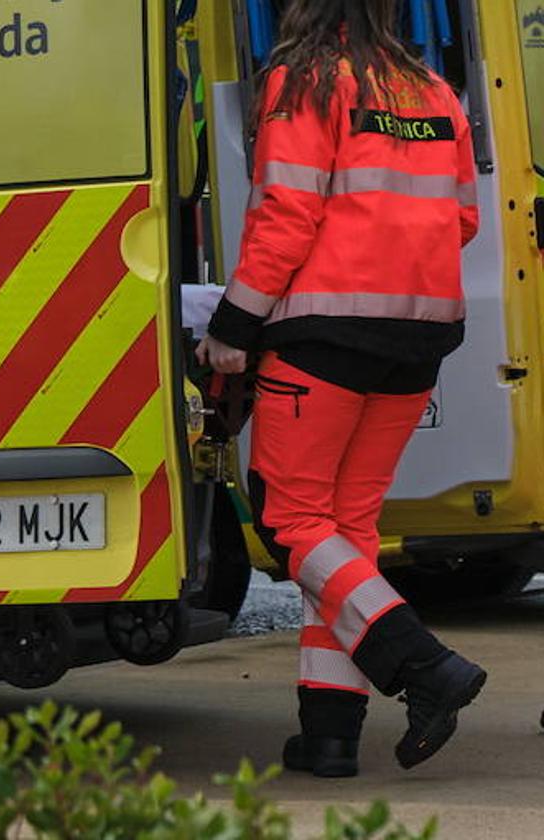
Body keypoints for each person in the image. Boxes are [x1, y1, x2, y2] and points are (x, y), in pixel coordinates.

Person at [196, 0, 486, 777]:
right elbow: (462, 220)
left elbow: (285, 216)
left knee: (289, 520)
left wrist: (233, 325)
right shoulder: (432, 90)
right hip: (418, 334)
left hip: (323, 336)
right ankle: (329, 735)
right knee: (345, 532)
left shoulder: (304, 81)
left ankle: (426, 667)